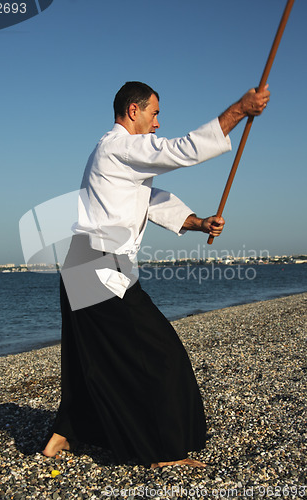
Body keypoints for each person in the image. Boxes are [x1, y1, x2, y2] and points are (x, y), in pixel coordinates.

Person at [43, 81, 270, 468]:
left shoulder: (115, 156)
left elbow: (149, 198)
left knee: (88, 356)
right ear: (134, 110)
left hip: (81, 262)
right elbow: (180, 151)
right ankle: (162, 451)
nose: (157, 123)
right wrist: (239, 110)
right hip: (99, 265)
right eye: (155, 113)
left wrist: (197, 222)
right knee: (160, 355)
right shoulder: (119, 145)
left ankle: (63, 434)